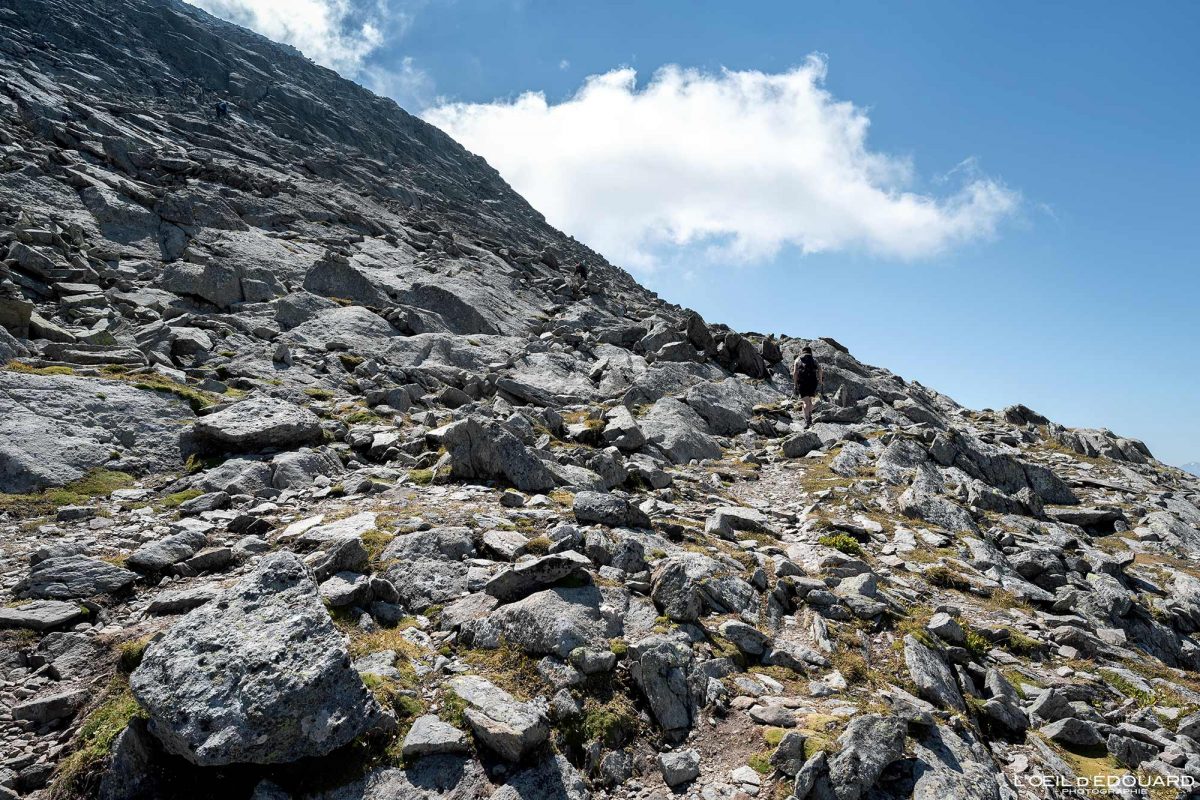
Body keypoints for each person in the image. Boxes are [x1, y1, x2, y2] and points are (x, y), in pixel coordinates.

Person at [791, 345, 823, 428]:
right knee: (809, 401)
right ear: (810, 352)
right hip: (813, 382)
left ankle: (807, 421)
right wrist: (820, 381)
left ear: (802, 351)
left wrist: (795, 384)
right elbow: (820, 370)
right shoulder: (814, 360)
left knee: (805, 402)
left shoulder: (798, 359)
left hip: (802, 383)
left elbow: (795, 373)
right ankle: (810, 417)